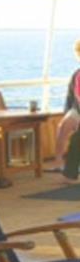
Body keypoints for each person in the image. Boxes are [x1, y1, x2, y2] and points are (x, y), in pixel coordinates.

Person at [53, 39, 80, 182]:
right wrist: (67, 115)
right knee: (64, 126)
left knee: (77, 139)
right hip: (77, 110)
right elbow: (70, 99)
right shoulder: (77, 75)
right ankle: (58, 162)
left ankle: (69, 173)